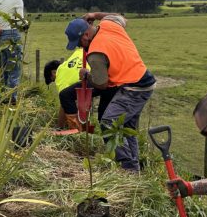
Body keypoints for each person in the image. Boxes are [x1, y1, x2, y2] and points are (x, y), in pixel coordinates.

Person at [64, 12, 155, 170]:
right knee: (126, 129)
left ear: (86, 34)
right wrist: (95, 14)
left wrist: (87, 75)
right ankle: (134, 171)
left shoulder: (95, 53)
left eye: (79, 42)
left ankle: (128, 168)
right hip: (143, 79)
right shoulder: (108, 25)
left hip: (133, 88)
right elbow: (120, 17)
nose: (80, 46)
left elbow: (102, 84)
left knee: (109, 124)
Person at [0, 0, 26, 102]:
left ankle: (1, 94)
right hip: (13, 34)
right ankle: (12, 96)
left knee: (4, 67)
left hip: (1, 35)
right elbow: (19, 21)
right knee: (14, 68)